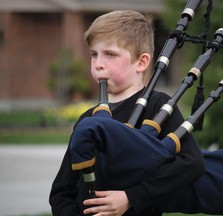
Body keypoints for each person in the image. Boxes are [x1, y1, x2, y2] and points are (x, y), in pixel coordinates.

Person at [49, 10, 205, 216]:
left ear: (141, 62)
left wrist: (132, 197)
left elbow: (191, 164)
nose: (98, 64)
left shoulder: (157, 106)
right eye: (94, 54)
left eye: (110, 54)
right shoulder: (88, 118)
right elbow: (62, 190)